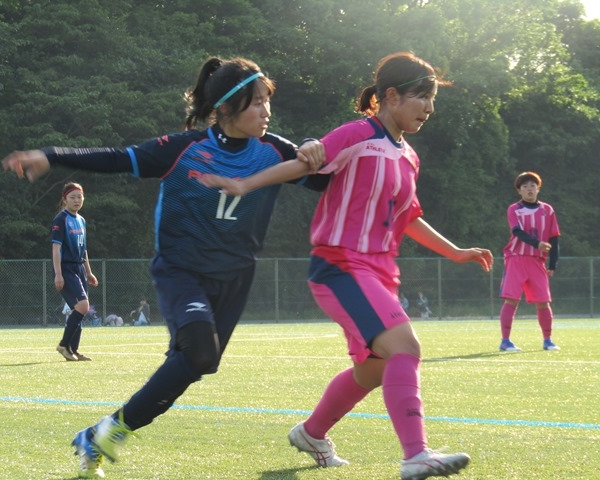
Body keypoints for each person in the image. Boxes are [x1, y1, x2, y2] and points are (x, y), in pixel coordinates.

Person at [1, 56, 323, 478]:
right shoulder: (183, 149)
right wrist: (51, 154)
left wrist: (321, 149)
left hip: (236, 276)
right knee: (201, 353)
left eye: (267, 101)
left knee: (197, 365)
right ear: (225, 109)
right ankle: (103, 435)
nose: (266, 111)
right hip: (181, 271)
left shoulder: (276, 151)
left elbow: (330, 179)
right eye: (255, 103)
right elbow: (116, 158)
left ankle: (102, 435)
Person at [200, 52, 493, 479]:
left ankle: (312, 434)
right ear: (390, 96)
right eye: (422, 97)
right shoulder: (357, 134)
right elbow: (303, 162)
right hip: (340, 266)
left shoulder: (409, 156)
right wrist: (245, 183)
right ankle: (416, 456)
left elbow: (408, 215)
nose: (430, 108)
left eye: (432, 99)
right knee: (406, 348)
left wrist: (456, 252)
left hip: (376, 274)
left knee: (373, 369)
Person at [499, 171, 560, 352]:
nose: (529, 189)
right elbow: (517, 231)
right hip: (516, 258)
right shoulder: (514, 209)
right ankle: (505, 341)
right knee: (511, 300)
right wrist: (537, 243)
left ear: (538, 188)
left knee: (543, 301)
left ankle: (548, 340)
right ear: (519, 191)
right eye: (525, 186)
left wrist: (552, 264)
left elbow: (554, 237)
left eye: (532, 186)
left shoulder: (547, 210)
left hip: (537, 261)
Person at [51, 182, 99, 362]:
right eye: (73, 197)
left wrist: (89, 272)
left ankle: (73, 350)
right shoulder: (60, 219)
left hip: (78, 268)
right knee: (82, 306)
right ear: (65, 200)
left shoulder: (81, 220)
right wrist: (58, 273)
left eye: (80, 197)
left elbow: (83, 249)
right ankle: (64, 345)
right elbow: (56, 248)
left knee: (79, 309)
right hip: (66, 268)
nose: (77, 200)